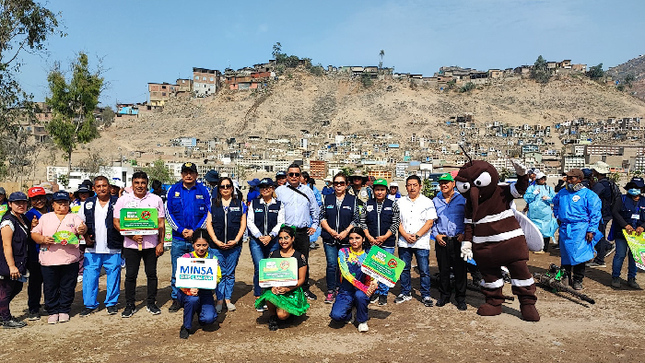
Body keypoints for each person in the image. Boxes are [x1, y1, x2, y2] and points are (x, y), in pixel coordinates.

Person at [113, 171, 166, 318]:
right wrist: (132, 236)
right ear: (132, 184)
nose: (140, 186)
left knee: (151, 274)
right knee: (130, 275)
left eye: (143, 183)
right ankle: (130, 305)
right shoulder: (123, 200)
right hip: (131, 246)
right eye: (137, 183)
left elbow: (161, 223)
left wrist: (161, 243)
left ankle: (151, 303)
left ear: (147, 183)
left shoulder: (156, 200)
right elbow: (116, 222)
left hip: (151, 244)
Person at [31, 191, 87, 324]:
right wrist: (43, 239)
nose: (62, 205)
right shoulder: (45, 218)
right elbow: (34, 233)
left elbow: (82, 227)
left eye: (65, 203)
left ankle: (64, 309)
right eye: (59, 203)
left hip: (70, 259)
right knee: (50, 287)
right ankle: (52, 310)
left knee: (67, 286)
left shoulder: (74, 217)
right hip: (49, 260)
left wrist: (82, 230)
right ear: (53, 204)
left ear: (69, 204)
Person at [165, 162, 212, 313]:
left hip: (198, 240)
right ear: (181, 174)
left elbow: (207, 212)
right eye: (185, 172)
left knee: (198, 269)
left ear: (196, 175)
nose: (188, 175)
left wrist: (196, 231)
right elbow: (168, 212)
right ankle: (176, 299)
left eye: (191, 172)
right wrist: (180, 229)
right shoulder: (173, 189)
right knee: (177, 271)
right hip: (179, 238)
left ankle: (199, 297)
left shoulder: (204, 190)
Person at [78, 176, 123, 317]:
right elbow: (81, 224)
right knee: (90, 277)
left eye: (104, 186)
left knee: (114, 276)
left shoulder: (119, 202)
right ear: (94, 188)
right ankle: (90, 305)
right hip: (92, 248)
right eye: (98, 186)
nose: (102, 189)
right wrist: (85, 238)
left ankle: (111, 303)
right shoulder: (87, 204)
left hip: (113, 246)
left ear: (110, 187)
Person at [275, 163, 320, 300]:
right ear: (287, 176)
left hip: (302, 231)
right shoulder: (280, 191)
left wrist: (315, 225)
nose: (294, 177)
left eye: (297, 174)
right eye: (291, 174)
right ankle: (285, 288)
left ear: (300, 176)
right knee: (283, 259)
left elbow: (315, 209)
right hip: (286, 232)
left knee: (303, 260)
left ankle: (304, 288)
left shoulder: (308, 191)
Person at [552, 169, 602, 290]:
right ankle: (565, 277)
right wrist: (558, 216)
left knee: (579, 255)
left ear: (579, 179)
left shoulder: (588, 195)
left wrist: (591, 230)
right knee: (565, 254)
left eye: (572, 178)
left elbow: (595, 214)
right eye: (567, 178)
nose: (569, 180)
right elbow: (555, 204)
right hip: (565, 228)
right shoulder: (563, 192)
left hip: (580, 228)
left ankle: (578, 280)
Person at [255, 226, 310, 331]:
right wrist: (272, 286)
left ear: (293, 238)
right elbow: (268, 276)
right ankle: (272, 316)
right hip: (276, 288)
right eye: (280, 238)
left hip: (292, 290)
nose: (283, 241)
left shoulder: (299, 257)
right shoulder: (273, 254)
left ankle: (289, 313)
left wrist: (288, 289)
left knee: (282, 316)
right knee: (269, 296)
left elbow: (302, 279)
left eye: (286, 238)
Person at [206, 177, 247, 313]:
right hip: (216, 246)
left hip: (234, 246)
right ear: (218, 188)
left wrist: (236, 240)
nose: (225, 189)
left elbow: (243, 224)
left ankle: (228, 299)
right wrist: (216, 241)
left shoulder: (240, 204)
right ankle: (219, 299)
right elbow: (209, 224)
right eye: (222, 186)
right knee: (219, 273)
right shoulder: (212, 204)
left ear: (232, 188)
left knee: (229, 273)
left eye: (228, 186)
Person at [395, 175, 437, 307]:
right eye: (409, 185)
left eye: (414, 185)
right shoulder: (400, 202)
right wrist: (405, 235)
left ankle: (425, 295)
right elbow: (397, 221)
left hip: (421, 242)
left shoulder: (427, 202)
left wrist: (417, 236)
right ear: (406, 187)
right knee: (404, 268)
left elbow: (430, 222)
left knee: (424, 270)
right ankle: (405, 292)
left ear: (420, 186)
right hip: (404, 241)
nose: (412, 187)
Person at [320, 172, 360, 304]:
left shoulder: (352, 200)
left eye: (341, 183)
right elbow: (322, 217)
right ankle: (331, 290)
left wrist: (345, 232)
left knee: (344, 265)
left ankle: (343, 289)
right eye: (336, 183)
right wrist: (331, 231)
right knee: (332, 265)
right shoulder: (327, 198)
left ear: (346, 185)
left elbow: (356, 219)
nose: (338, 185)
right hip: (329, 238)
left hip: (345, 239)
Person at [329, 227, 378, 333]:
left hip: (362, 291)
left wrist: (373, 284)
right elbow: (345, 273)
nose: (354, 241)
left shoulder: (370, 254)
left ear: (363, 239)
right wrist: (363, 287)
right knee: (336, 316)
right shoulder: (343, 252)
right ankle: (351, 311)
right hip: (346, 290)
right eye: (351, 238)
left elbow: (375, 274)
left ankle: (362, 321)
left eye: (357, 238)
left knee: (360, 296)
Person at [431, 173, 468, 311]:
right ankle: (444, 296)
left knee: (460, 270)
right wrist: (436, 235)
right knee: (444, 270)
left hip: (458, 240)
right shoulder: (435, 201)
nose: (444, 185)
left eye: (447, 182)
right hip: (442, 240)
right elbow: (431, 220)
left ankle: (460, 298)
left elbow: (468, 219)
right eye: (441, 183)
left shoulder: (462, 199)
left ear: (453, 184)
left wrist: (464, 233)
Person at [361, 178, 400, 306]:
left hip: (387, 242)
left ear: (386, 191)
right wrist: (369, 237)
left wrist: (384, 237)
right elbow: (363, 222)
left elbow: (395, 223)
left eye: (382, 190)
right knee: (372, 269)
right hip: (371, 242)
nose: (379, 192)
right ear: (373, 191)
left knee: (384, 270)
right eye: (377, 189)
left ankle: (383, 293)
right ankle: (374, 291)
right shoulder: (367, 204)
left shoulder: (392, 204)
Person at [247, 178, 284, 308]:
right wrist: (260, 236)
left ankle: (269, 293)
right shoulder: (254, 203)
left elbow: (281, 222)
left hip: (273, 241)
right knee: (259, 267)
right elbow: (250, 221)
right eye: (262, 187)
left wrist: (271, 235)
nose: (265, 189)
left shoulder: (279, 204)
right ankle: (258, 294)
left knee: (271, 268)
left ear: (272, 188)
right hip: (257, 241)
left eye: (268, 187)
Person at [178, 230, 221, 339]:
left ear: (208, 245)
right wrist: (188, 290)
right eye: (198, 245)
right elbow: (179, 277)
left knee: (209, 319)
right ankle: (186, 326)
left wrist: (207, 282)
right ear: (193, 244)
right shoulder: (185, 258)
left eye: (204, 245)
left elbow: (218, 277)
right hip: (187, 292)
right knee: (192, 300)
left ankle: (200, 312)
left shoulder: (213, 259)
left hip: (205, 292)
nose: (201, 248)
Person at [0, 192, 31, 328]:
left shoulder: (22, 218)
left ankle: (2, 314)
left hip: (20, 261)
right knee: (5, 290)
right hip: (8, 262)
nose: (21, 205)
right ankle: (6, 319)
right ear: (10, 204)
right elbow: (6, 245)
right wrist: (11, 266)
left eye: (23, 202)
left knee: (17, 287)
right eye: (17, 203)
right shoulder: (8, 221)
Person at [610, 177, 645, 289]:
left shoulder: (644, 201)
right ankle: (615, 277)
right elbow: (615, 212)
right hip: (623, 233)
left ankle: (631, 278)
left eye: (637, 187)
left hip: (638, 236)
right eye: (633, 187)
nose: (635, 189)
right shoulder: (622, 199)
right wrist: (625, 225)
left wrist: (642, 227)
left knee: (635, 256)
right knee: (620, 254)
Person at [24, 186, 50, 320]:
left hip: (52, 253)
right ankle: (33, 308)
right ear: (30, 201)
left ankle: (49, 305)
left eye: (41, 197)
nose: (39, 201)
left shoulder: (52, 211)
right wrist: (31, 227)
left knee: (50, 281)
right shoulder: (28, 215)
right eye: (35, 199)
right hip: (35, 254)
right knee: (35, 282)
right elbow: (25, 236)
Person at [587, 161, 617, 268]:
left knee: (598, 234)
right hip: (607, 212)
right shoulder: (609, 183)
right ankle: (606, 248)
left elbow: (591, 198)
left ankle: (600, 259)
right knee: (600, 233)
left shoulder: (600, 185)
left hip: (601, 214)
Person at [524, 172, 558, 253]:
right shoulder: (531, 188)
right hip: (533, 214)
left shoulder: (549, 188)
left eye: (544, 178)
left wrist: (548, 198)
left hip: (545, 214)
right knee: (534, 230)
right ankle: (535, 247)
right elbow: (527, 198)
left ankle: (544, 248)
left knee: (546, 230)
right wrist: (533, 194)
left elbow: (554, 199)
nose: (543, 180)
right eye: (541, 179)